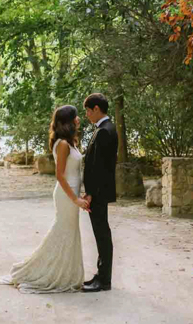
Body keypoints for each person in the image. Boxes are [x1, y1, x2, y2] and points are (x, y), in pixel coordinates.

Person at [0, 105, 89, 293]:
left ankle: (67, 272)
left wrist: (80, 194)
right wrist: (75, 199)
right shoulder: (64, 145)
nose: (78, 119)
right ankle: (46, 272)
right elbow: (60, 176)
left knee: (68, 232)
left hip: (72, 192)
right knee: (62, 231)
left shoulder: (70, 142)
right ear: (68, 121)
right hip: (66, 195)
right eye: (75, 116)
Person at [81, 92, 118, 292]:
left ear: (96, 109)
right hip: (99, 192)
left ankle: (104, 280)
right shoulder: (105, 128)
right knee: (101, 234)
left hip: (99, 193)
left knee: (102, 234)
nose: (87, 114)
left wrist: (90, 193)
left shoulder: (105, 131)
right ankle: (102, 275)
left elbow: (99, 168)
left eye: (88, 110)